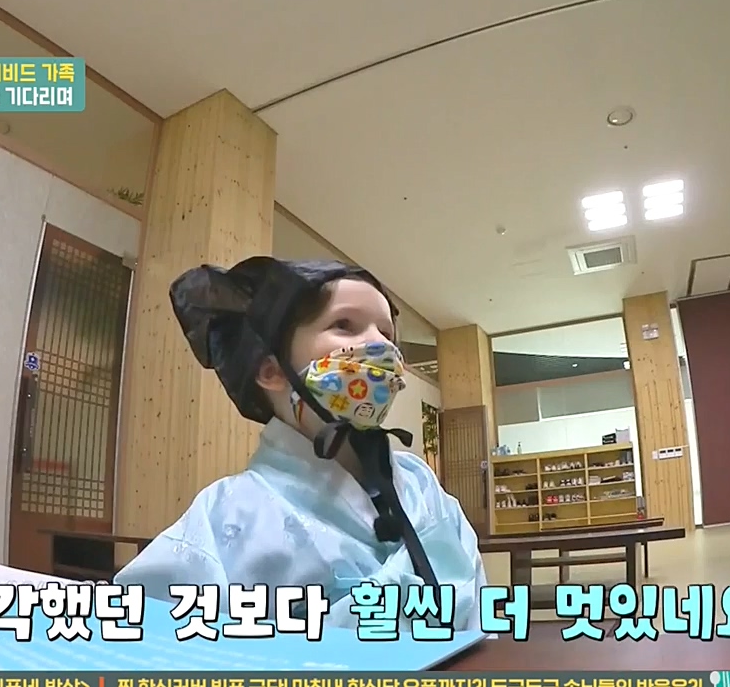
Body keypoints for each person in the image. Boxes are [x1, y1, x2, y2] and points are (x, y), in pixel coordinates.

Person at [115, 257, 486, 630]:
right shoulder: (229, 512)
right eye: (344, 325)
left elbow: (477, 620)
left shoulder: (421, 483)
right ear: (271, 370)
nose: (381, 345)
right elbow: (149, 627)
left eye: (387, 333)